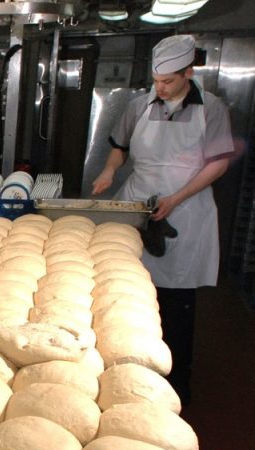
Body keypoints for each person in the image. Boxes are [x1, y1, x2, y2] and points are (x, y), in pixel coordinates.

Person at [91, 34, 234, 403]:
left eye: (169, 81)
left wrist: (178, 198)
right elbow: (119, 150)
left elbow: (218, 163)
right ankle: (124, 376)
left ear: (188, 72)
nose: (162, 87)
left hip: (186, 208)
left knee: (176, 301)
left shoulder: (212, 108)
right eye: (157, 81)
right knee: (125, 291)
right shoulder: (140, 106)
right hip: (138, 203)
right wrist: (109, 173)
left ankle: (175, 385)